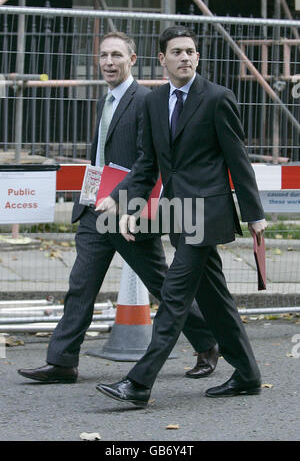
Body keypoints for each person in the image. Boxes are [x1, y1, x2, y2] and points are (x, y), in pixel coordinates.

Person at [17, 31, 218, 384]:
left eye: (117, 56)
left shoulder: (145, 101)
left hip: (128, 212)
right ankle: (62, 361)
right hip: (96, 210)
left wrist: (125, 201)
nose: (109, 62)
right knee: (80, 284)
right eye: (104, 56)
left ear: (133, 60)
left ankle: (207, 342)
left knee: (161, 284)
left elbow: (148, 160)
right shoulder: (105, 99)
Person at [96, 26, 267, 407]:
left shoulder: (218, 98)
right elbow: (147, 165)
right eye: (177, 52)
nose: (185, 57)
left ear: (197, 58)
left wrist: (254, 214)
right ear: (162, 59)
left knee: (173, 296)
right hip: (179, 213)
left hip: (208, 213)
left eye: (191, 51)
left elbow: (238, 159)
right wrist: (119, 198)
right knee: (216, 299)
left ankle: (139, 383)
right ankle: (248, 374)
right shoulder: (154, 102)